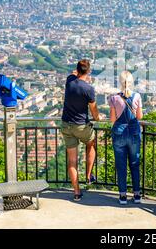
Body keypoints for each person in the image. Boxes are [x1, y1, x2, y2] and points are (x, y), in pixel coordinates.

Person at [61, 59, 100, 201]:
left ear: (77, 70)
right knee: (91, 143)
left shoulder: (69, 81)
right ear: (88, 71)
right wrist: (97, 118)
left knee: (72, 161)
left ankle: (76, 192)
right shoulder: (88, 89)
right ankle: (88, 176)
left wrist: (76, 72)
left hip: (66, 125)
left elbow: (72, 73)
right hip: (81, 125)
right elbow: (94, 111)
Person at [108, 71, 143, 205]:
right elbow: (139, 117)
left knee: (121, 165)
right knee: (135, 164)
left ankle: (123, 195)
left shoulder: (113, 98)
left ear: (120, 82)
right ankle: (137, 194)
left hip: (119, 133)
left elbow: (112, 119)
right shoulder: (137, 96)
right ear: (131, 82)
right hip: (134, 133)